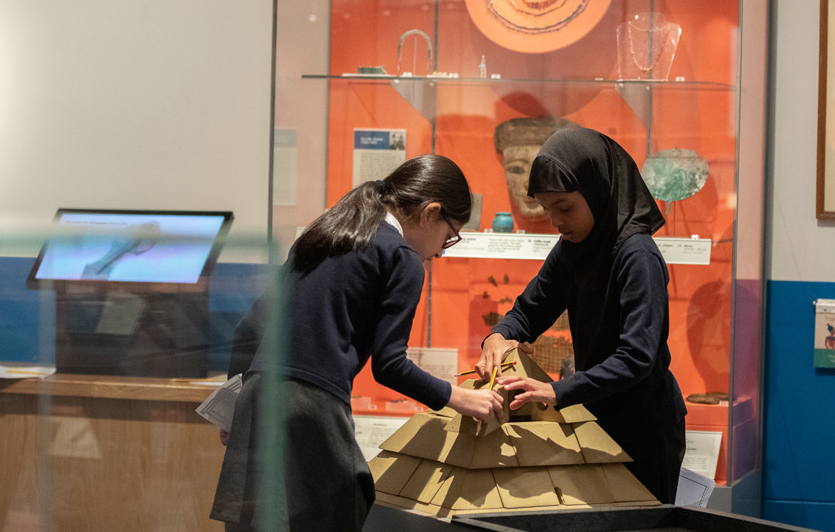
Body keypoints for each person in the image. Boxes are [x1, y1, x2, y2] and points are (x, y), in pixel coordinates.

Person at [211, 155, 505, 532]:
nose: (440, 253)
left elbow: (247, 329)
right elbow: (390, 365)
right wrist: (460, 398)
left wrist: (235, 406)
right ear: (431, 213)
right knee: (344, 507)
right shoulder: (402, 258)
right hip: (308, 407)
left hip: (257, 398)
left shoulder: (326, 233)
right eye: (449, 237)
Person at [476, 127, 687, 504]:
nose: (555, 221)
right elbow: (528, 312)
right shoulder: (571, 248)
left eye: (565, 208)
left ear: (597, 190)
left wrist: (558, 390)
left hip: (644, 428)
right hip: (594, 419)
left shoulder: (637, 256)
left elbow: (637, 356)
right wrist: (498, 336)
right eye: (547, 209)